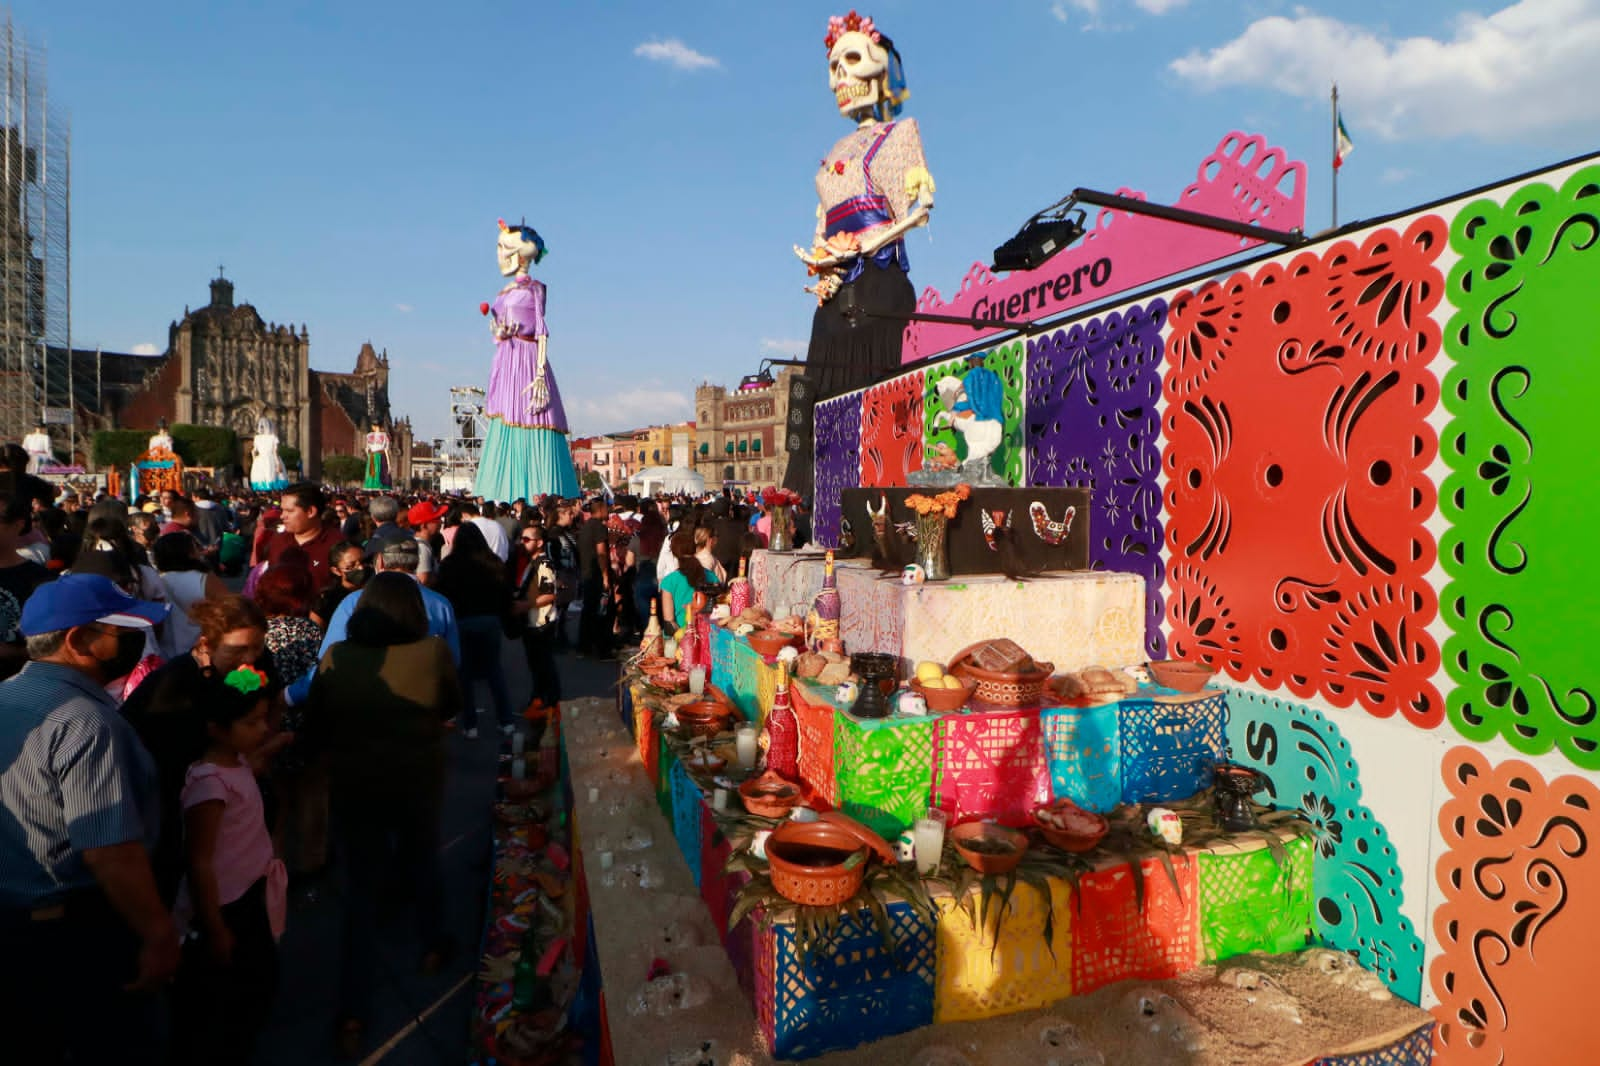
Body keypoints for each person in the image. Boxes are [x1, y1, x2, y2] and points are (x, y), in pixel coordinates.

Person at [0, 574, 174, 1065]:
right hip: (74, 939)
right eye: (121, 631)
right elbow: (109, 850)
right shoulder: (85, 721)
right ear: (80, 640)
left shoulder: (7, 698)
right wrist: (158, 933)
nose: (134, 641)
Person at [301, 572, 461, 1059]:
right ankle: (432, 943)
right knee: (421, 857)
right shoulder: (432, 652)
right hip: (416, 778)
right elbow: (450, 705)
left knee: (360, 891)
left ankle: (353, 1010)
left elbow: (316, 722)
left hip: (356, 784)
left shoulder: (337, 658)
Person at [786, 12, 934, 498]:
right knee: (820, 399)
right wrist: (821, 260)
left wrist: (873, 241)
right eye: (832, 67)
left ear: (879, 66)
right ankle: (815, 501)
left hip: (878, 281)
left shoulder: (901, 134)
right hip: (834, 293)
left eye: (850, 61)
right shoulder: (832, 152)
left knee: (874, 393)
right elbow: (821, 220)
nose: (839, 79)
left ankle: (876, 496)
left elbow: (922, 204)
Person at [120, 596, 276, 906]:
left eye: (256, 647)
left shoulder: (253, 666)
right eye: (236, 650)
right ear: (206, 644)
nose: (249, 660)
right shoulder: (174, 685)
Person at [172, 666, 285, 1066]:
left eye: (262, 718)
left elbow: (251, 762)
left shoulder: (234, 763)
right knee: (230, 995)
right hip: (225, 908)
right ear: (216, 728)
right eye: (251, 721)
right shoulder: (209, 785)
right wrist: (215, 928)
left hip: (248, 893)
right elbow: (199, 862)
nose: (262, 729)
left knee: (258, 982)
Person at [472, 219, 582, 500]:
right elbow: (497, 330)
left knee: (533, 415)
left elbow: (542, 331)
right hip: (507, 358)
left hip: (528, 357)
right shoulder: (504, 293)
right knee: (506, 416)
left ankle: (539, 491)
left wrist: (540, 374)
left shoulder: (535, 289)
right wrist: (498, 330)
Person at [286, 537, 461, 707]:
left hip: (366, 707)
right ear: (416, 563)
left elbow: (327, 663)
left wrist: (290, 695)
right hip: (422, 709)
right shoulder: (441, 604)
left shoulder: (355, 601)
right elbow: (453, 662)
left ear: (380, 562)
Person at [434, 521, 515, 739]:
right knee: (494, 672)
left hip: (461, 621)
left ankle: (470, 724)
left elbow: (442, 593)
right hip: (490, 621)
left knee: (464, 674)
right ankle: (506, 720)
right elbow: (505, 594)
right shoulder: (494, 562)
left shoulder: (449, 564)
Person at [0, 489, 54, 681]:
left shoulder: (40, 581)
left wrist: (9, 652)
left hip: (21, 692)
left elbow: (53, 650)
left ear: (17, 525)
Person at [514, 523, 560, 740]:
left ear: (539, 542)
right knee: (537, 665)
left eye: (527, 539)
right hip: (532, 623)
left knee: (544, 665)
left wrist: (525, 605)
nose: (522, 543)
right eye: (521, 539)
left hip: (542, 623)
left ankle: (550, 704)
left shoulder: (544, 563)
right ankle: (539, 701)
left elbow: (550, 594)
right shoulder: (531, 563)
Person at [151, 531, 228, 659]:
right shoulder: (204, 579)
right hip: (201, 652)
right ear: (189, 553)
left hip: (166, 654)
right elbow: (230, 610)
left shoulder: (156, 581)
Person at [262, 482, 343, 590]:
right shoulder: (278, 541)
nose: (282, 516)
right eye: (282, 510)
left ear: (310, 511)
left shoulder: (338, 544)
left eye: (289, 511)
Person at [658, 529, 718, 635]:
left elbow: (670, 623)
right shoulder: (711, 576)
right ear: (694, 550)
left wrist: (685, 637)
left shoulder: (668, 581)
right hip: (707, 635)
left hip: (681, 639)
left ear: (674, 553)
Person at [575, 497, 613, 658]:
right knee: (603, 612)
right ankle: (602, 649)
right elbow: (601, 553)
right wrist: (605, 576)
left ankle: (584, 647)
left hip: (586, 573)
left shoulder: (585, 527)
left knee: (588, 611)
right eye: (606, 508)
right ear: (601, 510)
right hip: (596, 575)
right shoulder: (599, 528)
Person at [312, 541, 368, 628]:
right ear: (336, 571)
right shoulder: (326, 600)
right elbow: (316, 630)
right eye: (351, 565)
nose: (361, 567)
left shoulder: (375, 591)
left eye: (363, 561)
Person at [249, 417, 289, 492]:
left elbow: (253, 451)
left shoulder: (257, 438)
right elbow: (275, 452)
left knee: (261, 478)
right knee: (272, 477)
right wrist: (278, 464)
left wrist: (254, 461)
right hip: (271, 459)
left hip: (260, 459)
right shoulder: (273, 437)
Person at [362, 423, 390, 490]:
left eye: (373, 426)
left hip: (378, 456)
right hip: (373, 456)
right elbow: (367, 448)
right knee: (372, 471)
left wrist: (388, 463)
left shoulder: (384, 436)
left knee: (378, 471)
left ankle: (377, 486)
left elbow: (386, 450)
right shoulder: (369, 435)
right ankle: (372, 486)